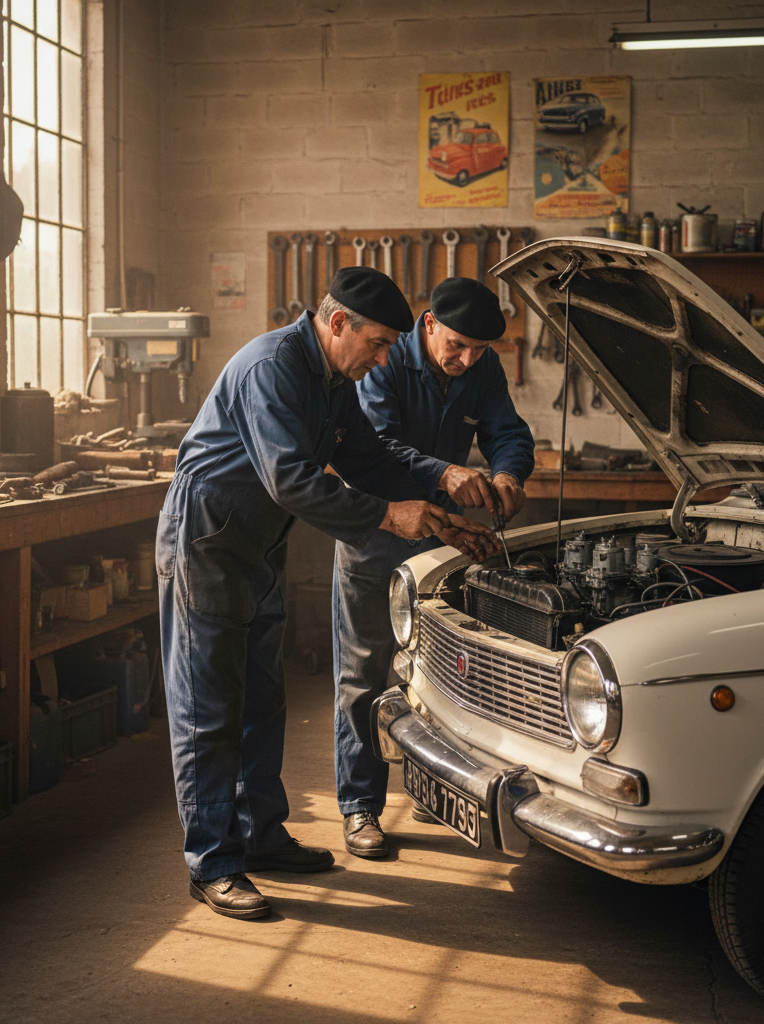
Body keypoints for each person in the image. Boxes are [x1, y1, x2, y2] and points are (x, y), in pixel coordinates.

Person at [156, 266, 501, 921]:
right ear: (338, 323)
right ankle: (213, 864)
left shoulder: (335, 379)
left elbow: (372, 461)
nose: (383, 361)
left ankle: (259, 835)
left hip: (257, 541)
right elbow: (290, 479)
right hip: (206, 539)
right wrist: (389, 516)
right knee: (208, 707)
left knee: (262, 698)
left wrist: (441, 510)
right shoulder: (273, 367)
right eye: (377, 344)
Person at [334, 276, 536, 858]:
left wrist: (508, 472)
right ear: (429, 325)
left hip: (441, 538)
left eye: (479, 350)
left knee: (440, 670)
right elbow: (374, 447)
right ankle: (360, 806)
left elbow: (507, 431)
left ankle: (433, 785)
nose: (467, 360)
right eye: (457, 345)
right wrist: (446, 473)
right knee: (365, 670)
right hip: (377, 531)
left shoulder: (481, 368)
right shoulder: (385, 359)